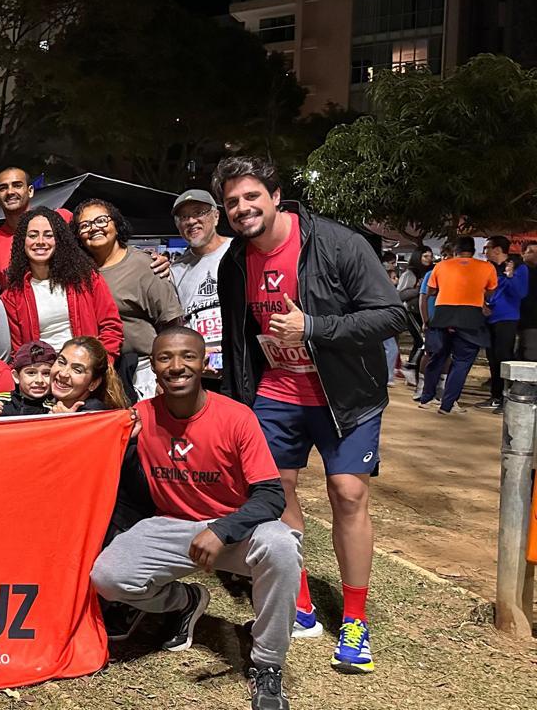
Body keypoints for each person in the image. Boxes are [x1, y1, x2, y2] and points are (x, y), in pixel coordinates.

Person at [214, 156, 403, 675]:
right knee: (277, 491)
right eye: (231, 202)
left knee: (348, 493)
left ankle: (356, 620)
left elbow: (391, 315)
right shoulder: (235, 260)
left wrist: (313, 329)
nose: (242, 208)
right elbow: (237, 339)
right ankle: (299, 603)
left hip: (345, 395)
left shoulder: (338, 243)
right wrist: (237, 399)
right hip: (275, 395)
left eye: (251, 196)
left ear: (276, 196)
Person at [90, 326, 299, 710]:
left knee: (282, 544)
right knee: (107, 578)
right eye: (165, 358)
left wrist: (222, 529)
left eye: (187, 356)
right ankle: (185, 601)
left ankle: (267, 664)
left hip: (233, 527)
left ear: (204, 362)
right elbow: (86, 440)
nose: (176, 366)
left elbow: (271, 494)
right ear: (153, 366)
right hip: (170, 525)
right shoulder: (139, 417)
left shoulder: (237, 417)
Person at [74, 198, 182, 400]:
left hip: (142, 371)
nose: (94, 228)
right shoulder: (79, 272)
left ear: (116, 223)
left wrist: (165, 374)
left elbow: (171, 324)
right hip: (100, 373)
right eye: (85, 225)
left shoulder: (144, 266)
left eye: (101, 220)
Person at [0, 206, 124, 361]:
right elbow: (19, 351)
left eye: (48, 235)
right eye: (32, 235)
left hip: (86, 368)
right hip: (42, 374)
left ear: (58, 240)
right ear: (22, 242)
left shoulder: (85, 278)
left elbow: (111, 327)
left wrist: (102, 365)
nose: (40, 242)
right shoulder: (12, 296)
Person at [415, 236, 497, 414]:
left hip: (443, 316)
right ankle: (447, 404)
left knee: (437, 357)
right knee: (462, 362)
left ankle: (426, 397)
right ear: (473, 251)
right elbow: (490, 293)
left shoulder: (441, 266)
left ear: (455, 251)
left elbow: (431, 291)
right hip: (471, 318)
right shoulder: (487, 267)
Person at [170, 190, 230, 381]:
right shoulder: (174, 270)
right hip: (199, 370)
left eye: (198, 212)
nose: (191, 221)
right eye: (184, 217)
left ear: (216, 216)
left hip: (239, 363)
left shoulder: (238, 252)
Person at [475, 235, 528, 411]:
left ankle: (507, 397)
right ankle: (495, 396)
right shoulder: (487, 267)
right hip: (488, 318)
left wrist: (510, 276)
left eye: (487, 248)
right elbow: (480, 289)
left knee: (504, 357)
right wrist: (482, 304)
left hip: (507, 318)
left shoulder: (519, 267)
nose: (485, 252)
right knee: (492, 357)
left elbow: (520, 293)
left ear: (497, 249)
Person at [0, 340, 57, 417]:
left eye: (46, 373)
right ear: (16, 376)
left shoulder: (53, 409)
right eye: (31, 373)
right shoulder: (1, 402)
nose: (39, 380)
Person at [396, 246, 434, 383]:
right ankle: (410, 367)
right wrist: (420, 289)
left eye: (430, 256)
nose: (429, 259)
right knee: (421, 341)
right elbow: (400, 294)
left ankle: (413, 371)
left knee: (420, 341)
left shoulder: (430, 272)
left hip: (422, 312)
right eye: (425, 256)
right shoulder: (410, 274)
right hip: (410, 311)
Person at [519, 240, 537, 361]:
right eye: (531, 252)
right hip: (519, 317)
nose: (535, 255)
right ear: (522, 254)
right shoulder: (518, 271)